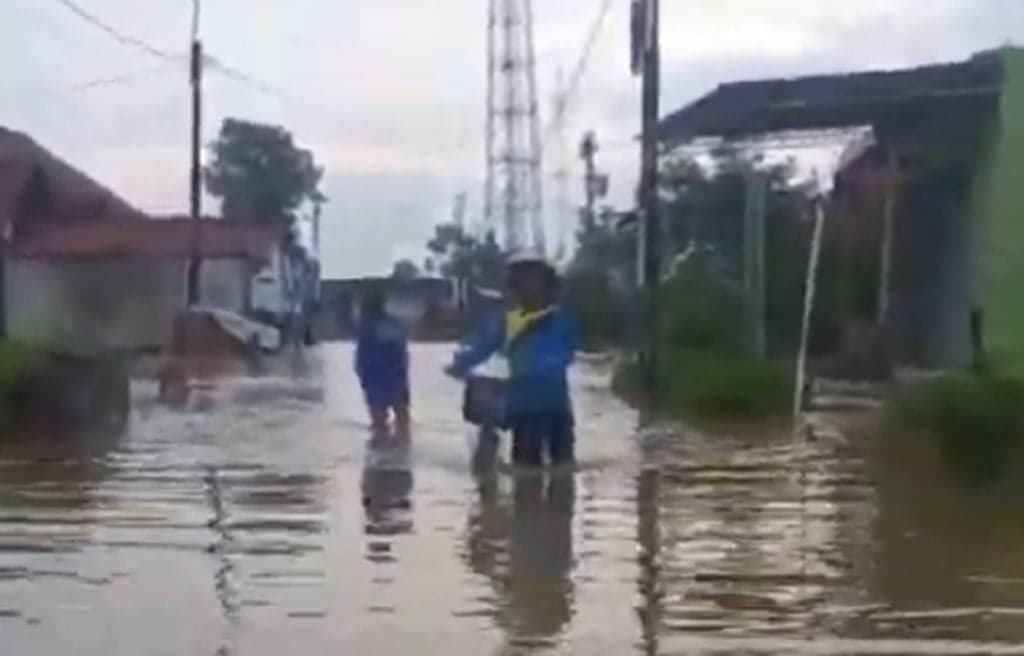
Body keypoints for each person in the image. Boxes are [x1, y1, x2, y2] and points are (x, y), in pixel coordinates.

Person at [446, 252, 576, 467]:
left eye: (533, 280)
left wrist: (540, 364)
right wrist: (460, 365)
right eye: (521, 280)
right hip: (524, 408)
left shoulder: (561, 318)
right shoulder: (507, 321)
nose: (527, 287)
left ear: (548, 285)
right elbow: (483, 346)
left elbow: (567, 352)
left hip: (557, 408)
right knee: (526, 468)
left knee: (564, 466)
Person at [355, 292, 410, 432]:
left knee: (378, 418)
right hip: (396, 373)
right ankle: (402, 446)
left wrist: (360, 372)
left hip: (375, 375)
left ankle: (381, 444)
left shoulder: (366, 328)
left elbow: (362, 355)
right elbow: (402, 351)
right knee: (401, 414)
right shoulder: (395, 325)